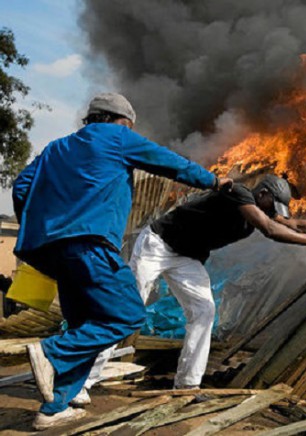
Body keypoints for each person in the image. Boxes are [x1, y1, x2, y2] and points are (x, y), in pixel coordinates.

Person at [12, 93, 232, 430]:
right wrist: (214, 181)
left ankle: (53, 408)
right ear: (121, 121)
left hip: (52, 251)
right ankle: (52, 353)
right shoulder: (117, 138)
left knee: (86, 324)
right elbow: (169, 162)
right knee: (127, 314)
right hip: (91, 245)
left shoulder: (57, 147)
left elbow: (22, 185)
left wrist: (44, 222)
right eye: (130, 126)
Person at [80, 174, 306, 398]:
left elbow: (300, 225)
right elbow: (270, 230)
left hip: (186, 258)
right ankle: (81, 384)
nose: (273, 213)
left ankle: (187, 386)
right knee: (126, 311)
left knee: (203, 312)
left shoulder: (262, 209)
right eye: (272, 206)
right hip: (158, 245)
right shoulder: (240, 194)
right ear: (264, 193)